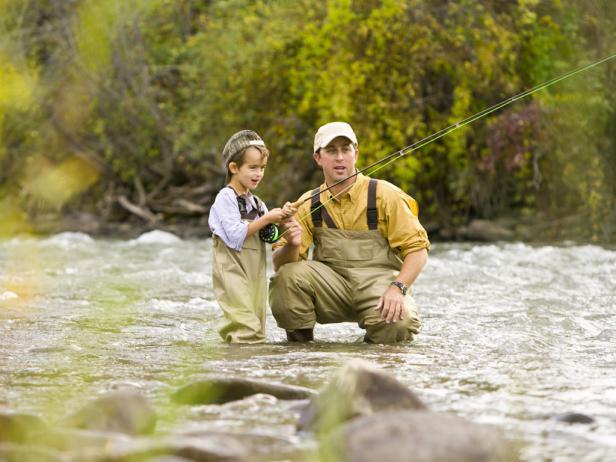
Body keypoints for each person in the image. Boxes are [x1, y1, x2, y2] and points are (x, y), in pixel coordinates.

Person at [270, 122, 430, 344]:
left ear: (356, 153)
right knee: (286, 278)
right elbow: (280, 265)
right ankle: (301, 353)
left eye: (346, 149)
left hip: (380, 285)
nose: (339, 157)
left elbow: (418, 251)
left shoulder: (387, 195)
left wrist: (398, 288)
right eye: (331, 150)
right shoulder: (306, 203)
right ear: (318, 158)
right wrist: (292, 245)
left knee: (399, 322)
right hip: (331, 289)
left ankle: (372, 354)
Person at [208, 130, 295, 344]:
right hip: (232, 270)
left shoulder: (257, 203)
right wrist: (267, 218)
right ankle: (239, 370)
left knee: (257, 325)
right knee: (244, 327)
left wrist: (281, 221)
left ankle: (245, 366)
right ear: (234, 168)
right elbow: (236, 235)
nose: (259, 174)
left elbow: (268, 235)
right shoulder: (225, 198)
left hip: (254, 273)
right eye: (253, 167)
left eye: (262, 168)